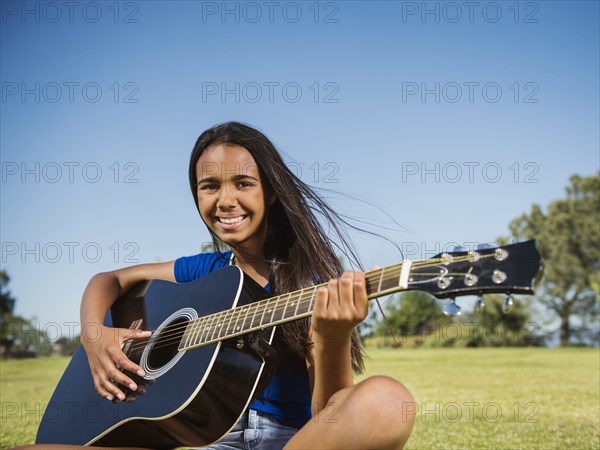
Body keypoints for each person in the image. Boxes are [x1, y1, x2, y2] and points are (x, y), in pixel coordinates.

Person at [21, 122, 415, 450]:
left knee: (387, 401)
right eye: (209, 186)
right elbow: (109, 279)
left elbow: (332, 415)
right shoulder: (206, 272)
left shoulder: (310, 284)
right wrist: (95, 337)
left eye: (243, 183)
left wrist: (333, 338)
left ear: (272, 193)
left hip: (292, 441)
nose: (225, 200)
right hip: (212, 440)